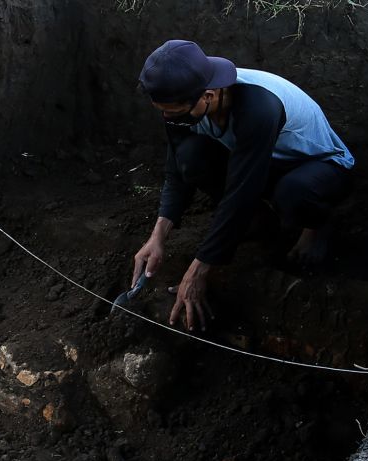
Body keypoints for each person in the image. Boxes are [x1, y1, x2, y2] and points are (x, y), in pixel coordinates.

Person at [133, 40, 355, 331]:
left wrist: (197, 271)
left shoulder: (258, 107)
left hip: (319, 168)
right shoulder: (181, 102)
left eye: (174, 112)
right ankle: (258, 220)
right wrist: (158, 236)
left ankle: (316, 226)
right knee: (190, 157)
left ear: (209, 95)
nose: (168, 118)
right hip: (262, 161)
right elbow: (176, 172)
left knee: (292, 194)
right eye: (162, 111)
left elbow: (242, 190)